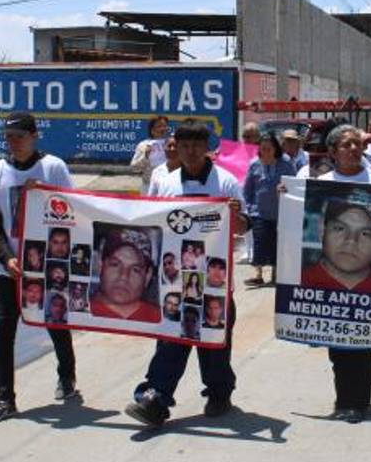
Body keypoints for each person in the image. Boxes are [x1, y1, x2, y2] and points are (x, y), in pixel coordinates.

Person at [124, 120, 249, 429]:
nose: (191, 152)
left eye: (196, 145)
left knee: (214, 344)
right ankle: (155, 398)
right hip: (174, 280)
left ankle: (219, 393)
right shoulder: (164, 182)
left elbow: (245, 227)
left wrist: (235, 216)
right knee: (170, 340)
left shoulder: (226, 182)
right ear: (176, 148)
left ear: (207, 148)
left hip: (214, 282)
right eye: (184, 146)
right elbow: (149, 222)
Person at [0, 111, 77, 425]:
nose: (14, 143)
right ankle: (5, 398)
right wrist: (7, 257)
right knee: (3, 332)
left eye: (20, 136)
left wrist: (45, 195)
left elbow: (74, 212)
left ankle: (67, 377)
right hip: (11, 269)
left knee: (56, 323)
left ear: (34, 136)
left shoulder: (53, 167)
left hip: (49, 265)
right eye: (8, 137)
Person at [298, 123, 371, 424]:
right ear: (333, 152)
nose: (353, 149)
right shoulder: (320, 180)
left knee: (362, 343)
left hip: (366, 278)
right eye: (346, 145)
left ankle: (357, 402)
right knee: (338, 343)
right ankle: (344, 399)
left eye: (357, 144)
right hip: (330, 278)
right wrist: (287, 195)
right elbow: (297, 207)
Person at [301, 189, 371, 294]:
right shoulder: (297, 282)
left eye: (365, 233)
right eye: (339, 228)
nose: (351, 241)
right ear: (322, 230)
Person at [243, 132, 295, 286]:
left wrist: (286, 189)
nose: (265, 152)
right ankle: (257, 274)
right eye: (262, 149)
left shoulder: (286, 164)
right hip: (259, 212)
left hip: (280, 212)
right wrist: (250, 207)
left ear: (275, 149)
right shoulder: (254, 164)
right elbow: (248, 189)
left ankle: (275, 274)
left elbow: (293, 184)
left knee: (277, 243)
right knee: (259, 241)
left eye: (268, 149)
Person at [89, 228, 161, 323]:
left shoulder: (160, 320)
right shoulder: (79, 313)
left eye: (135, 270)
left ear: (147, 276)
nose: (123, 276)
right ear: (100, 265)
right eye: (115, 264)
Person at [130, 116, 170, 193]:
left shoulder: (173, 145)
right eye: (159, 126)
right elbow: (134, 168)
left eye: (165, 126)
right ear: (152, 130)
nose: (163, 129)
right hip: (149, 187)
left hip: (168, 187)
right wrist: (145, 156)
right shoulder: (144, 145)